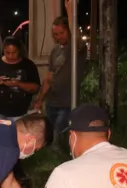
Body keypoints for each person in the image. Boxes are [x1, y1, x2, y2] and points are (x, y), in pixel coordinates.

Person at [33, 0, 86, 149]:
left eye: (61, 33)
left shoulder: (76, 48)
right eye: (55, 34)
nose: (58, 37)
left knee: (59, 136)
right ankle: (49, 160)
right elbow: (49, 78)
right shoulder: (55, 51)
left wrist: (70, 11)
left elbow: (76, 36)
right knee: (49, 136)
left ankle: (59, 162)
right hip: (52, 102)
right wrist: (40, 99)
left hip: (67, 103)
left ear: (68, 30)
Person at [0, 36, 40, 121]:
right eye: (7, 52)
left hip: (19, 113)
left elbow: (35, 88)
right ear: (3, 50)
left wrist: (18, 84)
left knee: (16, 134)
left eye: (14, 52)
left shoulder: (28, 65)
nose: (10, 56)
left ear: (19, 50)